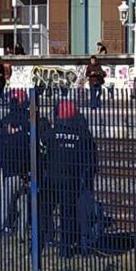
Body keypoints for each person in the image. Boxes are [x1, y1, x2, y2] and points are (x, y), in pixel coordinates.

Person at [50, 101, 97, 256]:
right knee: (70, 212)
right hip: (74, 179)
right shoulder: (82, 134)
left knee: (50, 210)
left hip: (52, 177)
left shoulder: (52, 133)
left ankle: (51, 242)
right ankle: (71, 245)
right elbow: (91, 157)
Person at [0, 90, 31, 240]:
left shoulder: (5, 125)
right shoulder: (28, 124)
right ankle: (21, 235)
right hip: (24, 173)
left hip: (10, 172)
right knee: (23, 206)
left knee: (6, 205)